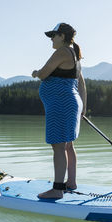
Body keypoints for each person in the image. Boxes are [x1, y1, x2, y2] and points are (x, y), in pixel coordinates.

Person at [32, 23, 87, 199]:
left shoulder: (63, 52)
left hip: (61, 104)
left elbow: (43, 73)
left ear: (62, 36)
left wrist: (35, 73)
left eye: (53, 36)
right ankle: (70, 182)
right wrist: (83, 108)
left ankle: (57, 189)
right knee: (68, 145)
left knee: (58, 146)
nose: (51, 39)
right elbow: (82, 85)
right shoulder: (75, 56)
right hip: (71, 103)